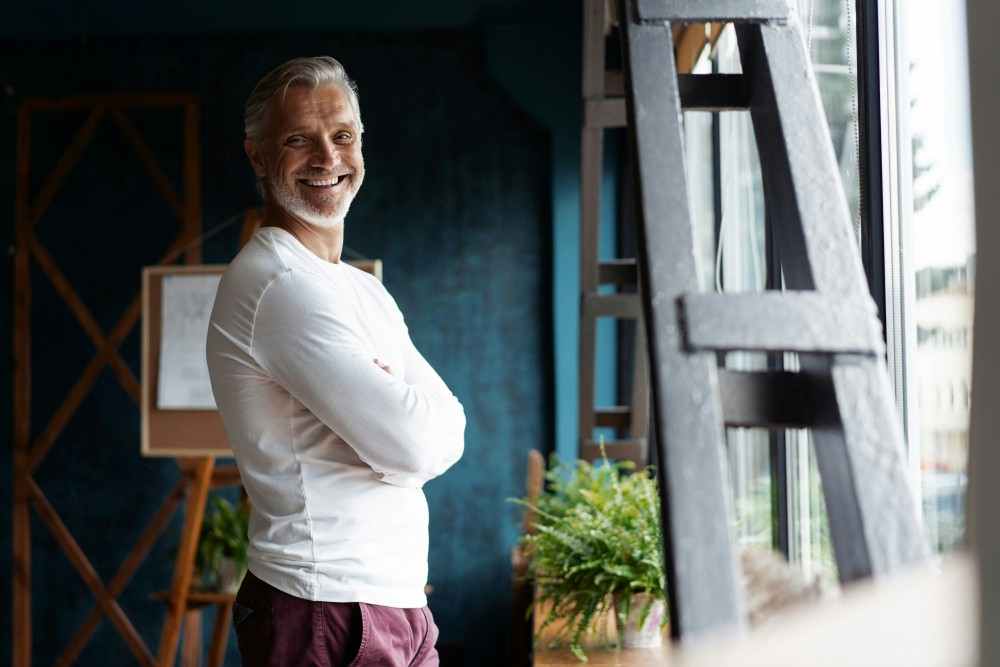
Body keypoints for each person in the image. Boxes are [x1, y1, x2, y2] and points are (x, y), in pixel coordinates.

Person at [206, 56, 466, 666]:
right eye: (299, 139)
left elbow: (447, 426)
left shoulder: (359, 289)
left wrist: (403, 441)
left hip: (390, 604)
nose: (328, 158)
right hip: (328, 611)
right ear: (257, 156)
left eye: (342, 136)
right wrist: (401, 445)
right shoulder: (279, 284)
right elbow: (417, 446)